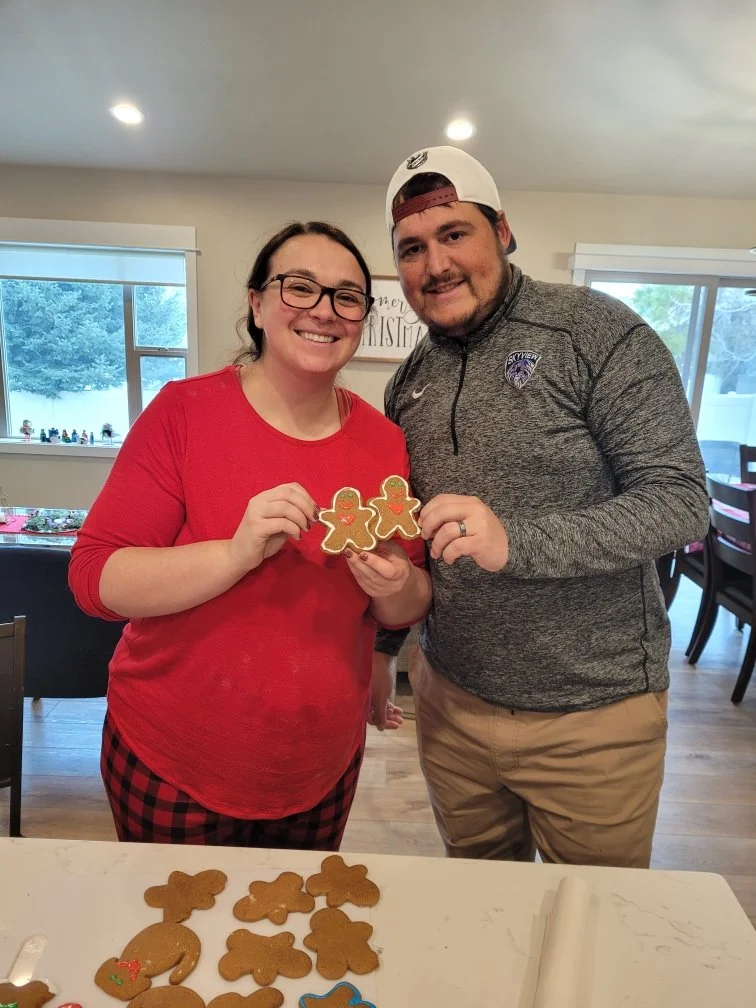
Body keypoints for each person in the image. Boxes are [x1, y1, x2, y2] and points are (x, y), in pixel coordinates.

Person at [373, 146, 709, 868]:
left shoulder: (599, 334)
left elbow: (681, 501)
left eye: (455, 234)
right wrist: (381, 655)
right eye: (411, 248)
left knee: (594, 929)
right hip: (452, 705)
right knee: (483, 909)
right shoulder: (407, 384)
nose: (435, 265)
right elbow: (398, 538)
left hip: (594, 717)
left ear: (502, 230)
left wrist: (516, 543)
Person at [69, 220, 431, 848]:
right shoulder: (183, 414)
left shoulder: (384, 441)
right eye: (299, 288)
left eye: (347, 296)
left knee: (289, 944)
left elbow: (410, 598)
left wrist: (394, 585)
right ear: (257, 303)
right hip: (170, 761)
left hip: (320, 767)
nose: (324, 311)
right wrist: (232, 555)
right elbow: (95, 580)